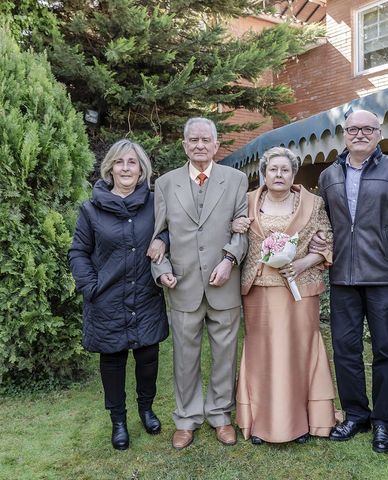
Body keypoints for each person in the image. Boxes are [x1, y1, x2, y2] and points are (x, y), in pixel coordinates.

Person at [316, 109, 388, 454]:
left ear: (379, 133)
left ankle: (382, 421)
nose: (360, 134)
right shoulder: (328, 176)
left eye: (368, 129)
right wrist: (319, 244)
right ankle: (355, 414)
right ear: (344, 133)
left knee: (384, 351)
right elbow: (323, 223)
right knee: (345, 349)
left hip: (384, 277)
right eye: (353, 129)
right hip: (343, 279)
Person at [151, 117, 248, 450]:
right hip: (183, 283)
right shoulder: (165, 183)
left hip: (224, 282)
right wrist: (161, 268)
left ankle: (221, 415)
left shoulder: (236, 180)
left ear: (217, 145)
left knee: (225, 354)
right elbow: (158, 235)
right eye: (193, 140)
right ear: (184, 144)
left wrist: (230, 259)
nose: (199, 145)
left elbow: (242, 230)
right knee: (184, 356)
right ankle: (187, 418)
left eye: (206, 140)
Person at [231, 147, 336, 445]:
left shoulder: (313, 203)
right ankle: (260, 421)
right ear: (264, 173)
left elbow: (328, 239)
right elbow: (233, 233)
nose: (279, 175)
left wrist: (304, 263)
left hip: (299, 290)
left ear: (294, 173)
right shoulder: (248, 201)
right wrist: (233, 224)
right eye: (273, 169)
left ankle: (303, 422)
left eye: (285, 170)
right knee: (261, 354)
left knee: (298, 352)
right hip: (259, 290)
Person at [69, 140, 169, 450]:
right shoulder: (90, 208)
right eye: (119, 162)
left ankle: (146, 409)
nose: (125, 168)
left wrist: (163, 239)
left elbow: (171, 229)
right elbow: (78, 252)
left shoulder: (155, 203)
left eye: (132, 162)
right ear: (110, 167)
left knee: (147, 356)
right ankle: (119, 421)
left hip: (145, 296)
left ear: (142, 170)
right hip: (107, 298)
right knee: (112, 360)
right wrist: (91, 287)